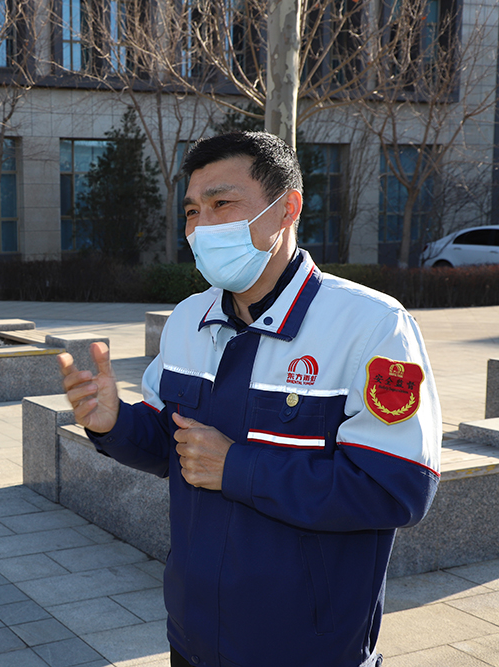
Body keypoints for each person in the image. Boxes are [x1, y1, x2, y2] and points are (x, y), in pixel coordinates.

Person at [58, 131, 441, 667]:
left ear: (287, 209)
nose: (201, 226)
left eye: (222, 204)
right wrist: (113, 422)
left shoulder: (371, 326)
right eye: (192, 211)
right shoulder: (188, 319)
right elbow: (174, 446)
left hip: (308, 651)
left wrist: (238, 467)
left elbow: (397, 490)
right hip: (191, 641)